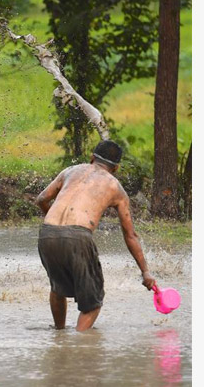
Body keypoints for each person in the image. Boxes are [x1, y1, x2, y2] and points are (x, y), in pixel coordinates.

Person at [34, 140, 156, 332]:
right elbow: (130, 235)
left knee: (58, 288)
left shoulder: (70, 171)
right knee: (93, 303)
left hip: (47, 233)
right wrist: (145, 272)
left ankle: (59, 335)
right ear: (116, 168)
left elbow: (41, 199)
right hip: (78, 236)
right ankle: (78, 343)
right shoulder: (116, 187)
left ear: (92, 157)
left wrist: (56, 226)